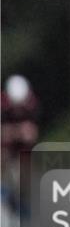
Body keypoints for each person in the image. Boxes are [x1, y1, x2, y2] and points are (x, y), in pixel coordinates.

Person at [1, 75, 40, 216]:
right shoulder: (3, 105)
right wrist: (19, 131)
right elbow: (4, 134)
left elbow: (31, 134)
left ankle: (22, 200)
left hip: (23, 148)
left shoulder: (31, 104)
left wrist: (14, 132)